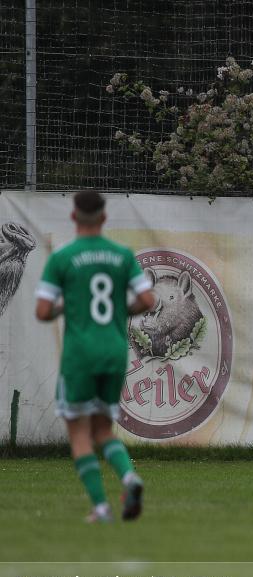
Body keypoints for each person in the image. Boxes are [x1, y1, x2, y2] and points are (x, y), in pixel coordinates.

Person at [35, 190, 156, 522]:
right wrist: (120, 310)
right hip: (114, 353)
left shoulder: (63, 258)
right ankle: (130, 478)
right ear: (104, 218)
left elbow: (43, 311)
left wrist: (68, 307)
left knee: (79, 433)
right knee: (103, 431)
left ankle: (101, 508)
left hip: (79, 355)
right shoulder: (121, 255)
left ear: (74, 217)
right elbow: (148, 301)